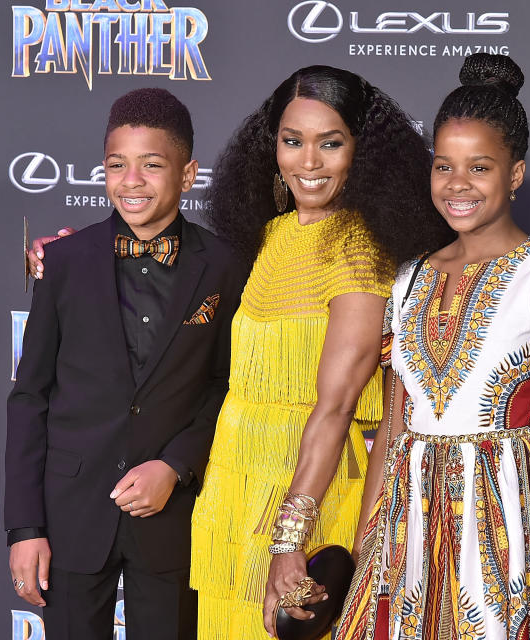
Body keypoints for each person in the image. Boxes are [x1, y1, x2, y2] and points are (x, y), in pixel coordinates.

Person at [187, 66, 453, 639]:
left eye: (331, 143)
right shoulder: (274, 235)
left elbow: (334, 409)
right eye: (293, 141)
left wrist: (290, 543)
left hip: (311, 495)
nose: (308, 163)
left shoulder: (360, 249)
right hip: (236, 483)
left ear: (362, 153)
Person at [336, 53, 530, 640]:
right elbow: (394, 425)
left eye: (480, 167)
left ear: (515, 175)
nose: (457, 185)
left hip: (510, 526)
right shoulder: (409, 278)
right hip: (408, 525)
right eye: (444, 166)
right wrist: (369, 543)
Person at [5, 88, 246, 639]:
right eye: (117, 165)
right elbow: (30, 396)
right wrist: (24, 527)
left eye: (152, 165)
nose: (131, 181)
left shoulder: (225, 267)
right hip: (70, 515)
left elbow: (225, 386)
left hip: (172, 517)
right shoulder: (63, 262)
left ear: (188, 175)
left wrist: (175, 465)